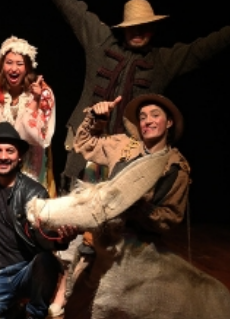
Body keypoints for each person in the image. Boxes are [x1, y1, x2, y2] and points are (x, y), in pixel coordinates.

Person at [18, 0, 230, 193]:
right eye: (132, 27)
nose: (137, 32)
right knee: (74, 199)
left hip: (128, 148)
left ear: (153, 28)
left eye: (143, 27)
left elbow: (202, 48)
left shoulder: (162, 60)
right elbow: (73, 8)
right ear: (124, 28)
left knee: (118, 209)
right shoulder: (102, 41)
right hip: (87, 141)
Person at [37, 93, 191, 318]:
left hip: (137, 254)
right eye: (143, 116)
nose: (147, 120)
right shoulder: (125, 146)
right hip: (101, 244)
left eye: (155, 115)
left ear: (168, 123)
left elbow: (171, 217)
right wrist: (98, 119)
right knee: (78, 307)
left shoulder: (176, 168)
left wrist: (137, 209)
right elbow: (85, 143)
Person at [0, 122, 77, 319]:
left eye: (10, 151)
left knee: (46, 260)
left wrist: (61, 239)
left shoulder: (35, 192)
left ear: (19, 156)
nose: (3, 157)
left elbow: (44, 237)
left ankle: (34, 314)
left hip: (28, 271)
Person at [0, 36, 56, 196]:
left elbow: (36, 136)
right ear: (1, 65)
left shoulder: (43, 92)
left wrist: (35, 100)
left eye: (20, 64)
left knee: (27, 199)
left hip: (30, 158)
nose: (14, 68)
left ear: (27, 67)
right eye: (9, 62)